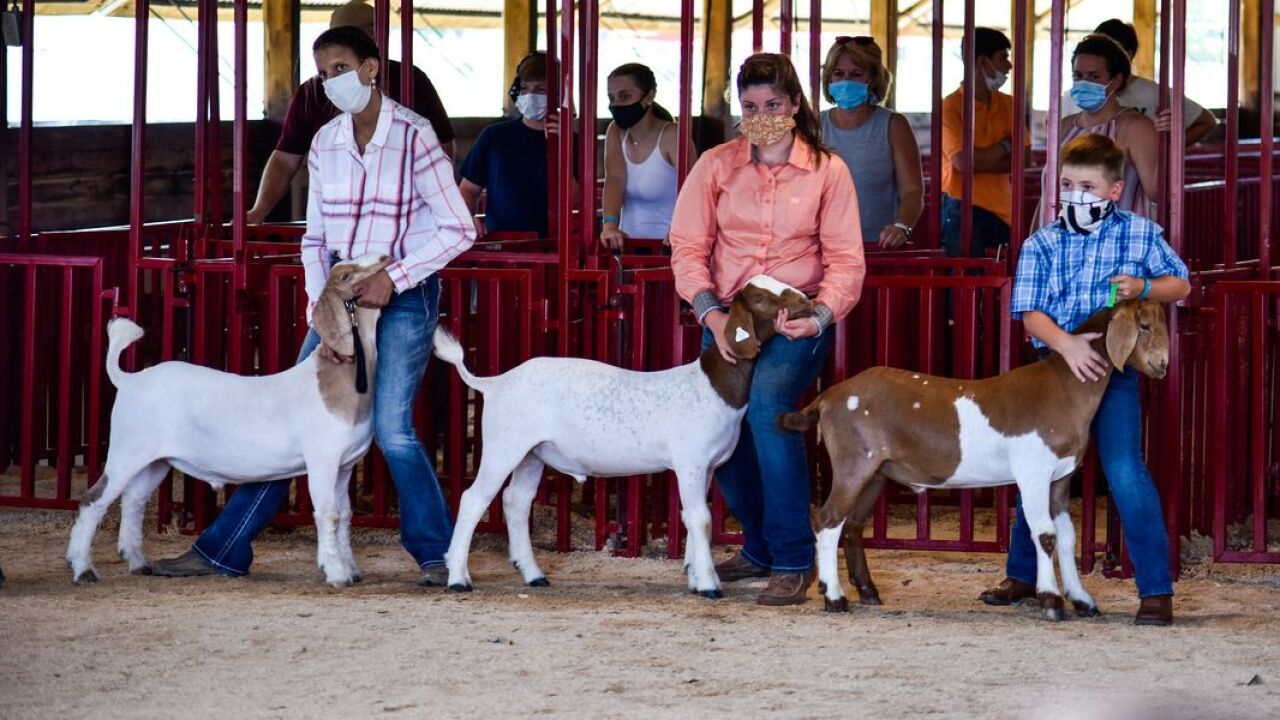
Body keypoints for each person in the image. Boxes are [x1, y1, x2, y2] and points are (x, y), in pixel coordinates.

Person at [151, 26, 476, 585]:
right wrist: (317, 308)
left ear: (371, 69)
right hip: (339, 299)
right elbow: (314, 239)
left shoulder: (415, 135)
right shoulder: (325, 143)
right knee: (292, 417)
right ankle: (224, 548)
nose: (332, 81)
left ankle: (438, 556)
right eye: (323, 73)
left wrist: (394, 279)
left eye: (341, 68)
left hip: (403, 294)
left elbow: (459, 227)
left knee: (393, 427)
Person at [669, 52, 865, 606]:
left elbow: (847, 259)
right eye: (750, 106)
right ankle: (757, 545)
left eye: (773, 105)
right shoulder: (716, 164)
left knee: (767, 408)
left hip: (798, 316)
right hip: (729, 314)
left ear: (796, 105)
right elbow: (687, 246)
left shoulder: (828, 170)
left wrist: (821, 316)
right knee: (719, 427)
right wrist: (707, 310)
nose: (761, 116)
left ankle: (792, 557)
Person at [988, 132, 1189, 626]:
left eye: (1089, 186)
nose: (1076, 194)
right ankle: (1023, 573)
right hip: (1054, 371)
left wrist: (1144, 285)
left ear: (1115, 191)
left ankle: (1155, 589)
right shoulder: (1043, 242)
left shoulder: (1140, 233)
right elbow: (1030, 313)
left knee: (1124, 469)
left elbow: (1180, 282)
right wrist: (1067, 345)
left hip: (1113, 370)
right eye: (1068, 184)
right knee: (1039, 471)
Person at [245, 0, 456, 224]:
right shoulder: (313, 92)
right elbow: (285, 159)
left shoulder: (408, 79)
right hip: (339, 219)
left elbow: (441, 145)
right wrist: (258, 211)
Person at [1039, 34, 1160, 227]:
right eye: (1078, 76)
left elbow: (1159, 193)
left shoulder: (1135, 127)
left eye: (1094, 76)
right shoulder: (1063, 127)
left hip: (1116, 249)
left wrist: (1171, 138)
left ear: (1116, 80)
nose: (1084, 82)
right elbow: (1046, 197)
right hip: (1060, 249)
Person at [819, 36, 922, 250]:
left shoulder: (893, 125)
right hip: (823, 249)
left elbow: (912, 191)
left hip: (878, 249)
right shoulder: (814, 125)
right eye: (838, 73)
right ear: (829, 78)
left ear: (872, 79)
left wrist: (901, 227)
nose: (846, 81)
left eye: (856, 74)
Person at [458, 52, 566, 238]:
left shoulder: (572, 142)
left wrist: (560, 149)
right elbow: (468, 188)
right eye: (524, 88)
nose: (530, 95)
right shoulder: (493, 136)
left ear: (558, 94)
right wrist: (467, 218)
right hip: (501, 244)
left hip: (556, 244)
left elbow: (575, 199)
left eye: (540, 90)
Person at [1061, 19, 1217, 147]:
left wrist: (1169, 150)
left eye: (1109, 49)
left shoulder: (1156, 93)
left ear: (1127, 54)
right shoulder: (1072, 96)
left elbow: (1206, 121)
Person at [940, 27, 1023, 257]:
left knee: (1003, 284)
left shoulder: (1009, 104)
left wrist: (978, 160)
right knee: (964, 284)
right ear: (981, 61)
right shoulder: (951, 106)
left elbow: (1023, 158)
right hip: (962, 209)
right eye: (1003, 57)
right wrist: (1005, 147)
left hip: (1004, 211)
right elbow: (963, 163)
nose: (1009, 66)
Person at [598, 63, 696, 250]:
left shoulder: (672, 135)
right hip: (628, 245)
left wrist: (682, 228)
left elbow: (695, 187)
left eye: (625, 96)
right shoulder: (616, 131)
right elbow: (615, 179)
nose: (616, 104)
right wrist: (610, 226)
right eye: (612, 98)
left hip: (670, 246)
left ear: (649, 96)